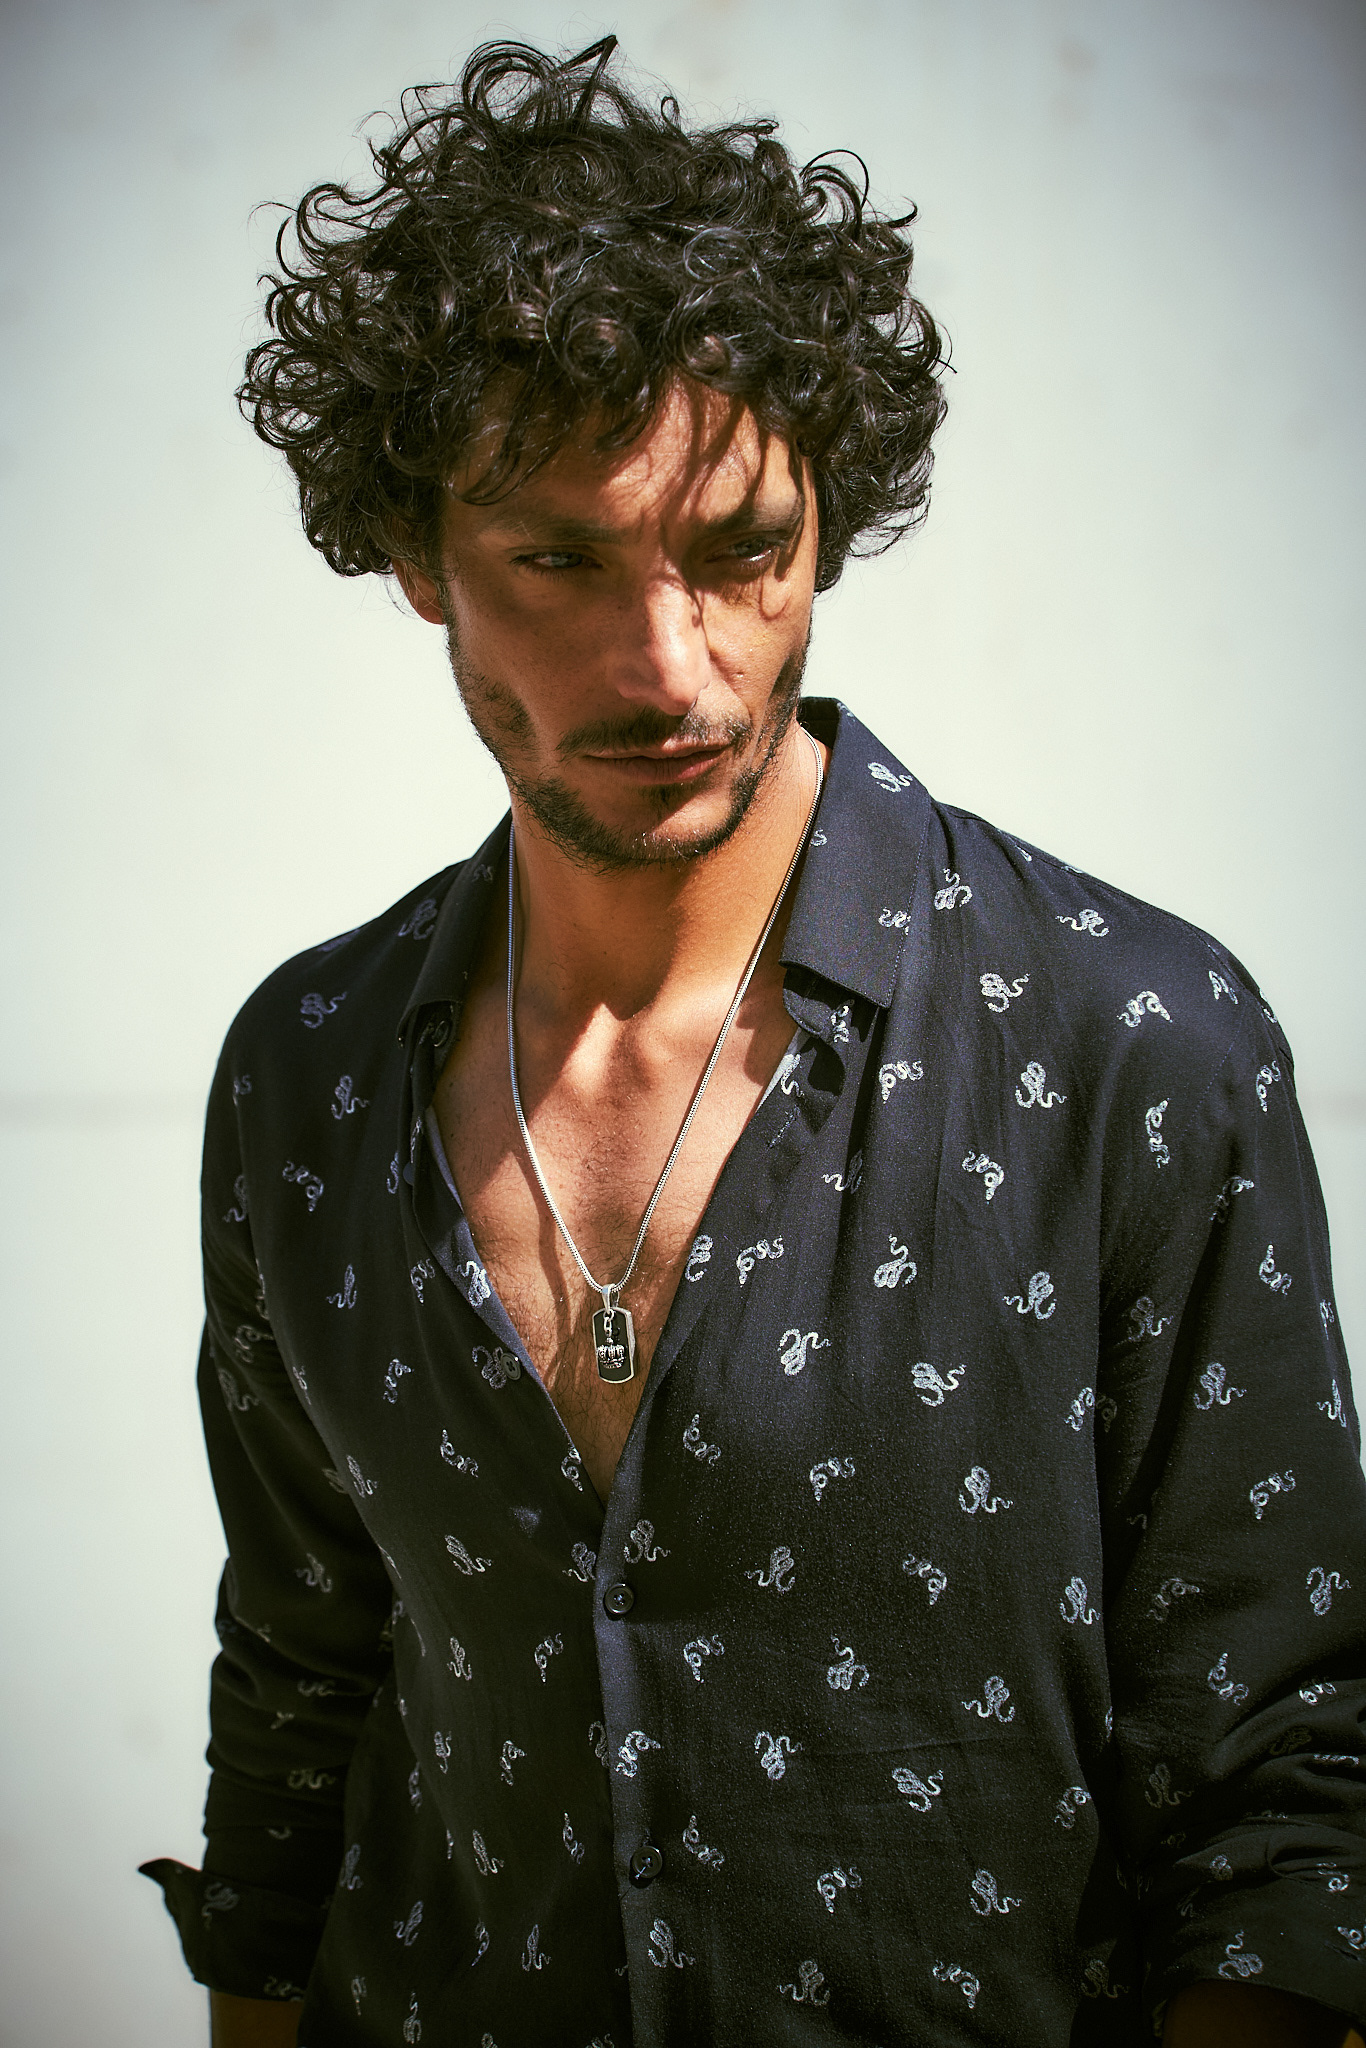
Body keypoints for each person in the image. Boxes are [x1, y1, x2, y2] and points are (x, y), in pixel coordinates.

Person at [141, 36, 1366, 2048]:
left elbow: (1282, 1784)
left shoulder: (1133, 1040)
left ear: (825, 529)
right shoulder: (309, 1071)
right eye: (559, 559)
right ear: (416, 559)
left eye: (737, 550)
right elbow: (293, 1709)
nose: (668, 664)